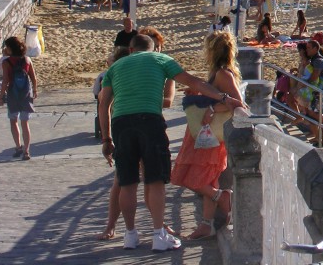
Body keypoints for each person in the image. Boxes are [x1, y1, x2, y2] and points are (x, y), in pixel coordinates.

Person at [98, 33, 245, 252]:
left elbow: (104, 104)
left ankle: (130, 235)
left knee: (127, 183)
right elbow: (193, 81)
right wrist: (224, 99)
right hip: (149, 121)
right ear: (153, 49)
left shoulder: (114, 68)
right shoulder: (161, 60)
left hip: (121, 123)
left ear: (130, 50)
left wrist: (106, 138)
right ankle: (159, 235)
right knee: (155, 181)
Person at [169, 31, 243, 240]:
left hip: (210, 135)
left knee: (191, 177)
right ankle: (206, 224)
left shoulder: (223, 74)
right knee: (207, 178)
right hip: (203, 133)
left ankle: (222, 198)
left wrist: (211, 109)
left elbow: (238, 103)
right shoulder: (218, 73)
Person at [0, 36, 36, 160]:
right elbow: (33, 78)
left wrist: (1, 95)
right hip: (26, 94)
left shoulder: (6, 62)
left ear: (10, 48)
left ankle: (18, 146)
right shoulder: (27, 60)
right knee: (25, 123)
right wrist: (34, 90)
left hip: (13, 94)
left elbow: (5, 81)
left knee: (13, 121)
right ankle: (26, 151)